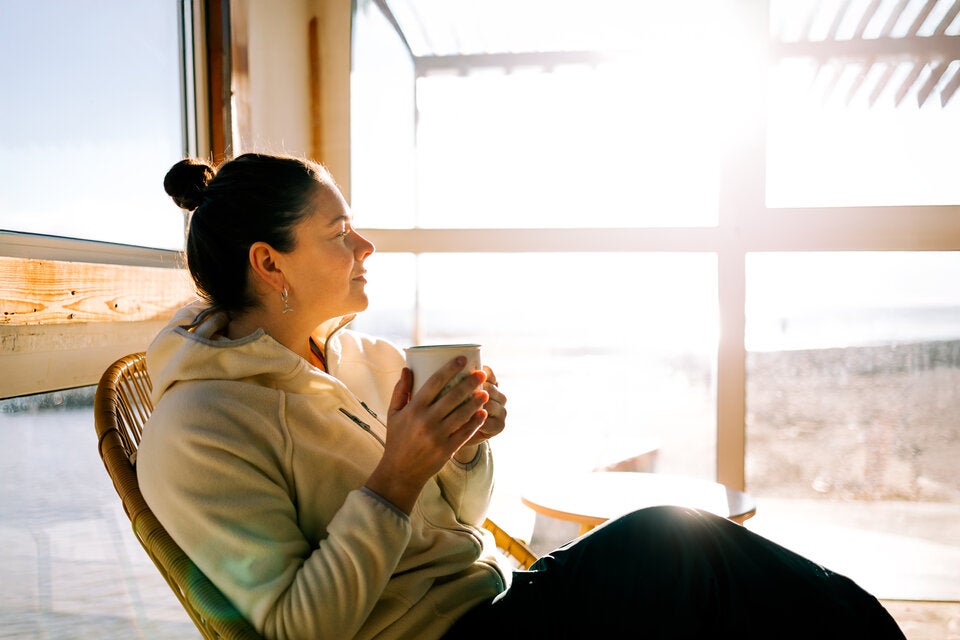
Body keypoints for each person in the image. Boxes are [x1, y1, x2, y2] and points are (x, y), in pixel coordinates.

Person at [139, 152, 905, 640]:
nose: (366, 247)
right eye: (340, 231)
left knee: (691, 559)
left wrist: (462, 449)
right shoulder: (200, 428)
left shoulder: (363, 359)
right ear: (270, 263)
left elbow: (463, 519)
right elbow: (299, 630)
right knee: (673, 545)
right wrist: (398, 474)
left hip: (504, 602)